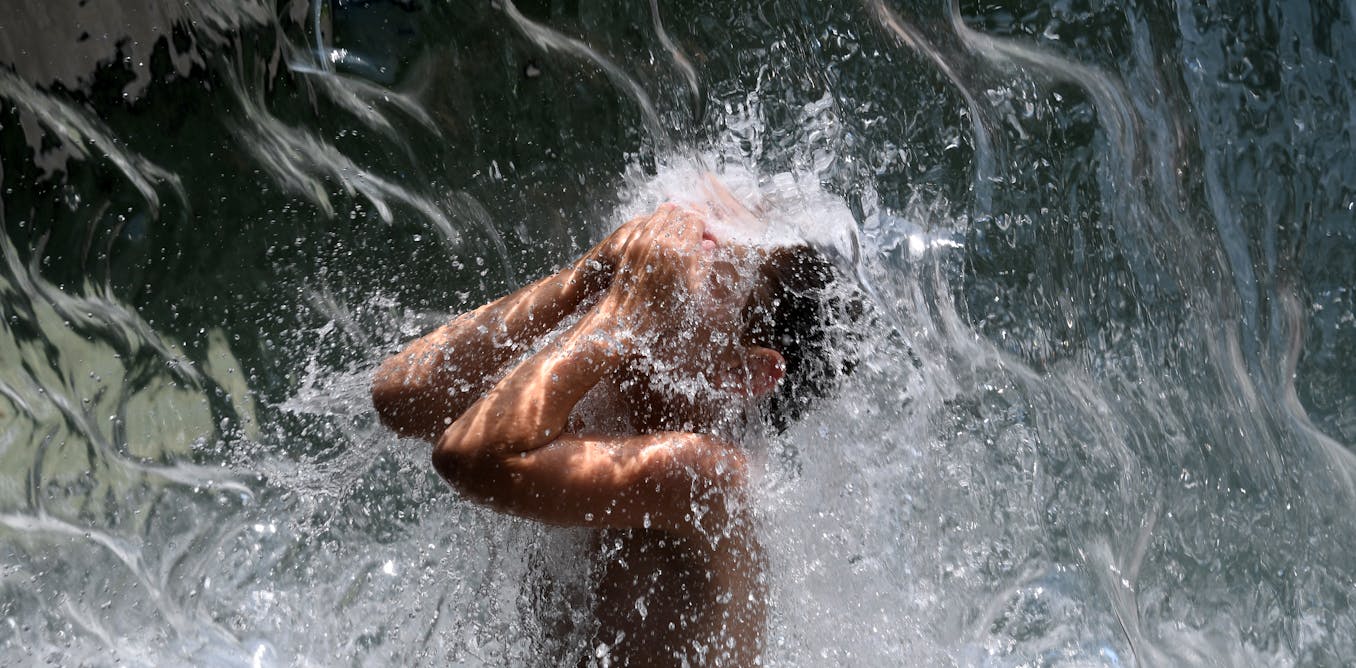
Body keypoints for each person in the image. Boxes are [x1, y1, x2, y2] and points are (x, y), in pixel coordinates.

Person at [371, 198, 851, 666]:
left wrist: (621, 316)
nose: (668, 247)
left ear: (742, 373)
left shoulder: (708, 476)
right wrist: (584, 277)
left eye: (708, 253)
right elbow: (400, 395)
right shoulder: (603, 403)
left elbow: (470, 456)